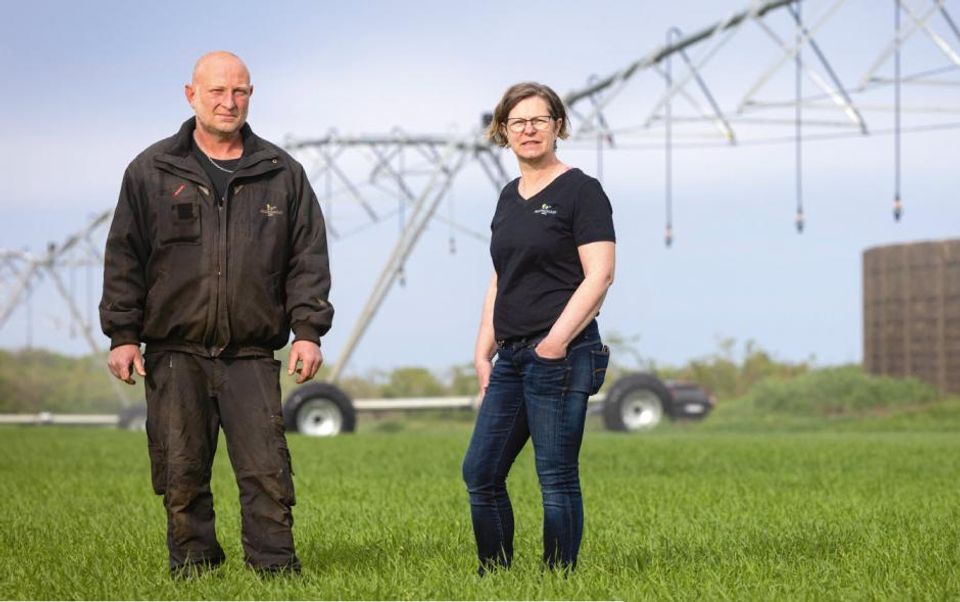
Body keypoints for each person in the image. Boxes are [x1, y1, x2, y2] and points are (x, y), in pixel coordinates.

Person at [99, 51, 333, 577]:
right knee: (181, 470)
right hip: (174, 350)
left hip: (250, 352)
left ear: (251, 95)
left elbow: (308, 257)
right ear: (191, 95)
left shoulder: (281, 172)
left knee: (266, 471)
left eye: (241, 92)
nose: (230, 102)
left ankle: (275, 571)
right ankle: (194, 569)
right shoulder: (151, 171)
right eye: (217, 92)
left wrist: (308, 331)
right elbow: (124, 257)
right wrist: (122, 334)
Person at [461, 82, 616, 574]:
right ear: (503, 131)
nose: (529, 130)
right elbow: (501, 275)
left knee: (555, 476)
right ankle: (495, 575)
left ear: (558, 126)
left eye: (539, 120)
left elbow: (601, 274)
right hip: (511, 356)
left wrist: (554, 343)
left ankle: (557, 579)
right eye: (517, 122)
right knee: (481, 472)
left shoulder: (582, 191)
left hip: (563, 355)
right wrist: (483, 346)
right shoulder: (508, 197)